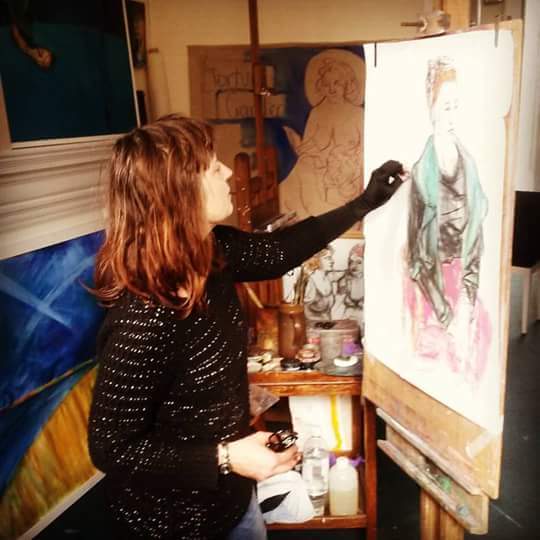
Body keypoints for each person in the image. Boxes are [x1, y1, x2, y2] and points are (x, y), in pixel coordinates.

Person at [87, 114, 403, 539]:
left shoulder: (213, 252)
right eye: (211, 166)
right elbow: (111, 448)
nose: (227, 171)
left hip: (234, 502)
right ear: (177, 192)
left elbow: (279, 251)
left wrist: (363, 204)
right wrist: (225, 457)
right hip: (171, 525)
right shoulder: (142, 319)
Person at [406, 56, 490, 380]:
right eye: (445, 107)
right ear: (431, 107)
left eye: (456, 106)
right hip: (431, 287)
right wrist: (446, 315)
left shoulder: (471, 167)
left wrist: (466, 302)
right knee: (433, 362)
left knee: (479, 351)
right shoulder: (420, 174)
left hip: (463, 281)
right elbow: (417, 259)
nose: (451, 115)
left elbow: (476, 241)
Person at [280, 51, 364, 220]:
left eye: (337, 83)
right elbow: (310, 144)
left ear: (347, 84)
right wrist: (307, 150)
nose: (332, 89)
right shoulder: (317, 113)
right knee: (299, 174)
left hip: (347, 167)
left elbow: (363, 145)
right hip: (318, 164)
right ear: (321, 86)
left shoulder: (357, 113)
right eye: (327, 84)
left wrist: (346, 159)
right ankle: (308, 217)